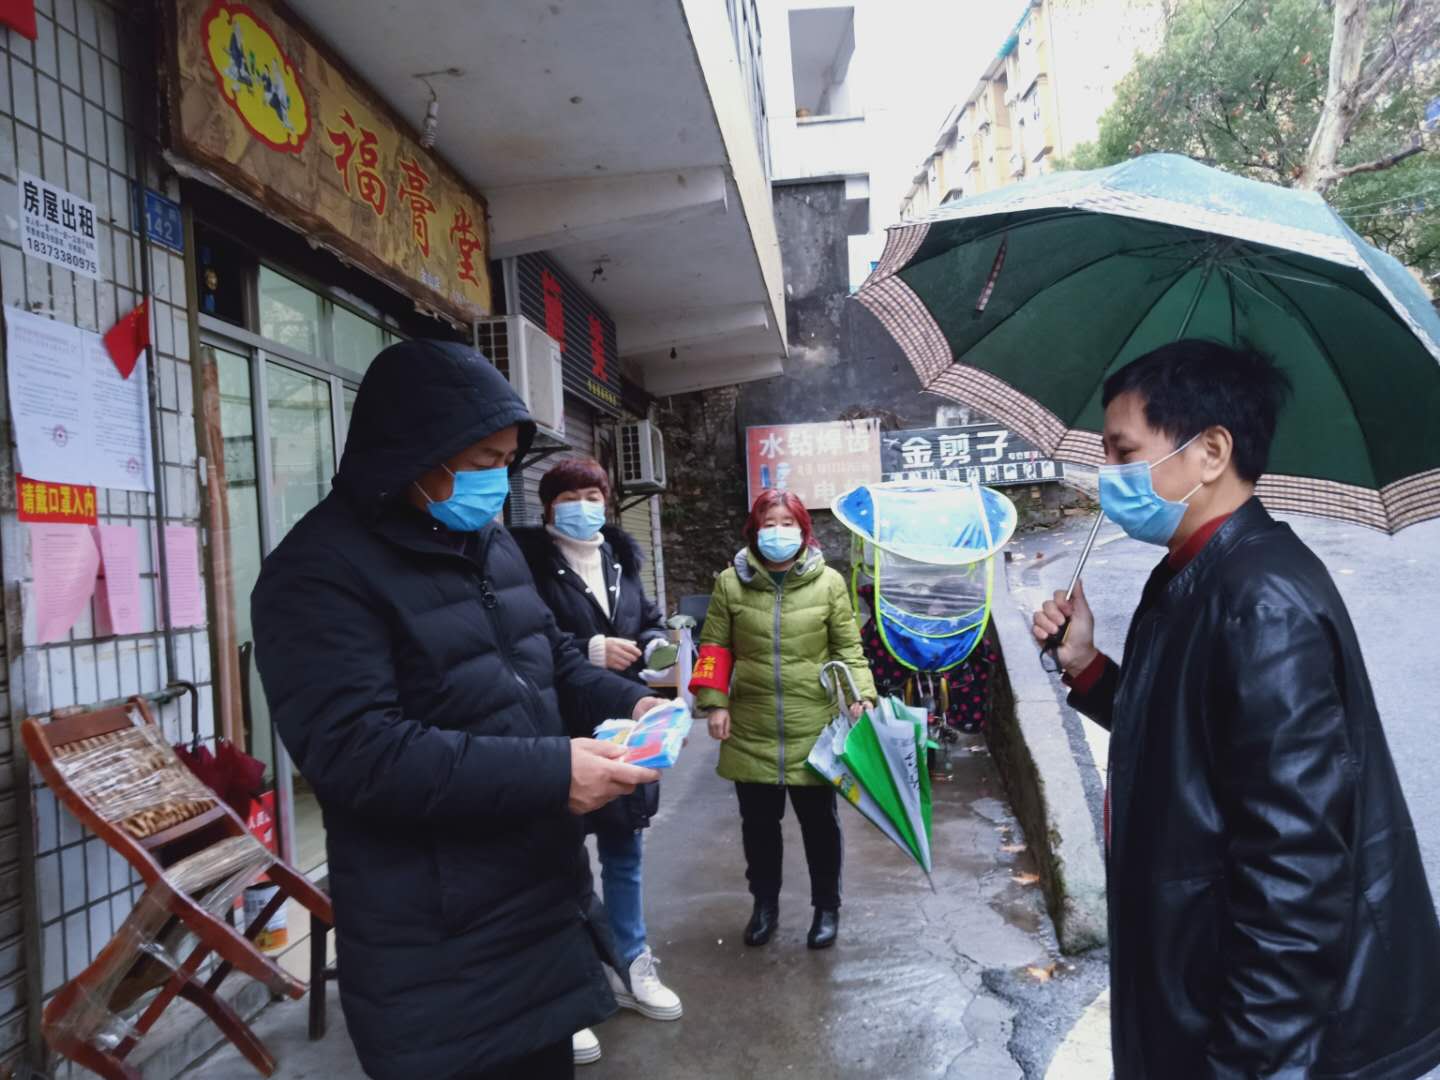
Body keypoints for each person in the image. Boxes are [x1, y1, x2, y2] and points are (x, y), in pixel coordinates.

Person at [251, 340, 668, 1080]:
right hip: (438, 937)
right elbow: (359, 753)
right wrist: (553, 773)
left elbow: (551, 658)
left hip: (541, 899)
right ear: (414, 449)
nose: (497, 480)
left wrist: (633, 700)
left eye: (507, 460)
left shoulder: (490, 542)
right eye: (481, 459)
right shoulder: (315, 574)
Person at [1031, 340, 1440, 1078]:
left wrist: (1249, 1064)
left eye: (1125, 452)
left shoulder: (1262, 604)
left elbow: (1295, 875)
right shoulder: (1192, 573)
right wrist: (1086, 666)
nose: (1109, 474)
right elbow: (1190, 746)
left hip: (1259, 1037)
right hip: (1197, 986)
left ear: (1211, 451)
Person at [512, 457, 684, 1046]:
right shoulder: (525, 564)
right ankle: (569, 985)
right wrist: (590, 649)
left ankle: (632, 963)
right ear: (548, 504)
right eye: (571, 496)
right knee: (558, 863)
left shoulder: (619, 559)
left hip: (625, 728)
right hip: (557, 727)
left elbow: (647, 619)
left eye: (593, 495)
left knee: (624, 852)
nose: (584, 506)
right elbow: (527, 641)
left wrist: (655, 647)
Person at [691, 489, 876, 950]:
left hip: (812, 726)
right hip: (750, 725)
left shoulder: (829, 583)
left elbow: (848, 648)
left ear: (803, 530)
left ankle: (826, 908)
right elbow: (714, 646)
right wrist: (715, 704)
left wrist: (862, 696)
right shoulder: (729, 583)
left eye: (787, 523)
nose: (778, 532)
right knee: (758, 827)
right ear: (754, 531)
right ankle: (764, 906)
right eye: (769, 524)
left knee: (820, 825)